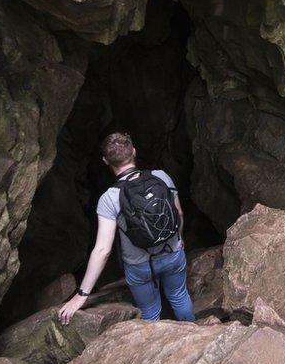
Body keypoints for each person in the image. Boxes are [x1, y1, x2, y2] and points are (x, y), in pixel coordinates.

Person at [59, 132, 195, 324]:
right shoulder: (161, 177)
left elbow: (103, 250)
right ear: (134, 151)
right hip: (172, 253)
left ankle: (154, 348)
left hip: (139, 266)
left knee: (150, 310)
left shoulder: (109, 198)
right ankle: (193, 330)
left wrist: (81, 295)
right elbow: (178, 213)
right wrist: (179, 240)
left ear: (106, 161)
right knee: (179, 296)